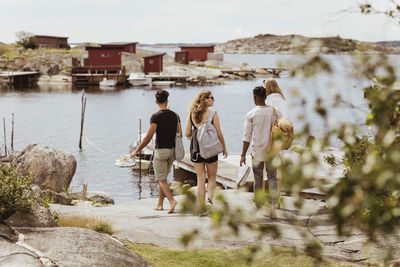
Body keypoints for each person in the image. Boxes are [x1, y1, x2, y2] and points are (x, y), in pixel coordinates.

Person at [130, 89, 178, 213]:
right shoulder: (175, 115)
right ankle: (160, 205)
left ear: (156, 102)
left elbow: (148, 137)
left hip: (161, 151)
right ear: (167, 101)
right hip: (172, 151)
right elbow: (180, 133)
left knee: (160, 179)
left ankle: (172, 201)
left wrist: (136, 151)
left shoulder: (155, 117)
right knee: (163, 179)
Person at [240, 86, 282, 218]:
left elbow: (246, 136)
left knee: (258, 178)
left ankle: (259, 205)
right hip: (272, 151)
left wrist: (242, 154)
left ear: (255, 97)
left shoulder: (251, 114)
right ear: (266, 97)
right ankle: (273, 205)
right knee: (272, 178)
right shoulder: (276, 112)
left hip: (257, 152)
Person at [185, 90, 228, 205]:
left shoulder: (192, 114)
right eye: (211, 98)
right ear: (205, 99)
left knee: (200, 179)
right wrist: (224, 147)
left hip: (196, 150)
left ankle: (201, 206)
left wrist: (197, 131)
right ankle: (210, 201)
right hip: (211, 150)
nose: (213, 100)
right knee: (212, 177)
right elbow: (219, 133)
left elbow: (187, 133)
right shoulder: (213, 114)